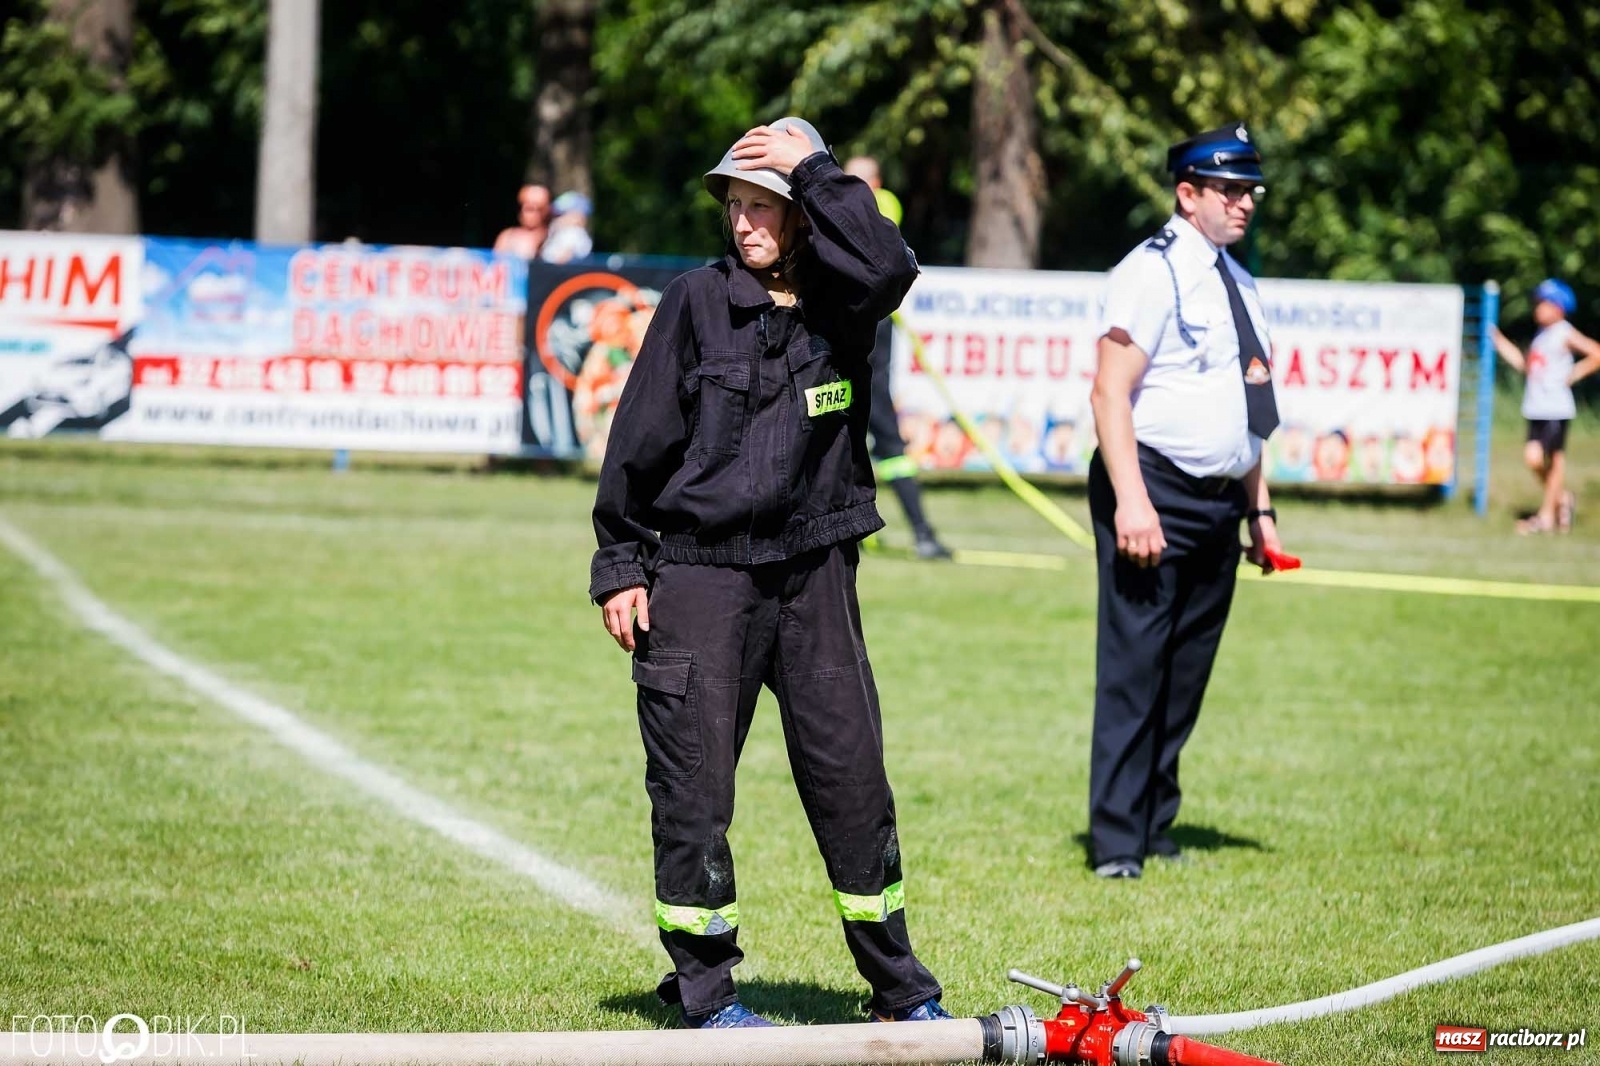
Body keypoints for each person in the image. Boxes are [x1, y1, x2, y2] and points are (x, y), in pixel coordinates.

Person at [589, 117, 950, 1028]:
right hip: (701, 578)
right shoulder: (693, 303)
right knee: (694, 787)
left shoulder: (844, 300)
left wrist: (815, 166)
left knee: (853, 781)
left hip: (817, 574)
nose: (745, 222)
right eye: (735, 206)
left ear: (802, 216)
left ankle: (900, 989)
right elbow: (637, 444)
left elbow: (893, 266)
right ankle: (707, 995)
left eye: (765, 206)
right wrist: (622, 564)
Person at [1086, 122, 1287, 880]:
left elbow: (1249, 409)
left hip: (1220, 500)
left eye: (1250, 190)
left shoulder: (1238, 279)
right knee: (1136, 664)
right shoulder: (1152, 271)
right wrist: (1133, 503)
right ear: (1188, 192)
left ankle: (1153, 820)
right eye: (1230, 189)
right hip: (1154, 485)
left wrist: (1259, 511)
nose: (1245, 202)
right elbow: (1110, 392)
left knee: (1187, 668)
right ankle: (1114, 843)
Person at [842, 155, 952, 560]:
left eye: (855, 180)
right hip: (847, 327)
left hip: (873, 330)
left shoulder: (882, 204)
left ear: (875, 181)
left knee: (883, 431)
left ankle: (922, 532)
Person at [1489, 279, 1600, 534]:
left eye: (1543, 303)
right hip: (1536, 407)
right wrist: (1499, 341)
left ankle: (1547, 517)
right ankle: (1562, 500)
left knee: (1552, 461)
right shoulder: (1541, 336)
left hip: (1555, 408)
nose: (1537, 308)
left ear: (1559, 308)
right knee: (1534, 458)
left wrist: (1574, 373)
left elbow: (1596, 352)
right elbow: (1524, 366)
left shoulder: (1564, 331)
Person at [492, 183, 551, 258]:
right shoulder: (508, 237)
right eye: (528, 208)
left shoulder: (552, 237)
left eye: (538, 209)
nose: (531, 214)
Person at [540, 190, 594, 264]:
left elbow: (564, 257)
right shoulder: (558, 233)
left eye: (562, 215)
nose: (557, 219)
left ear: (578, 217)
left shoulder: (573, 234)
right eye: (556, 215)